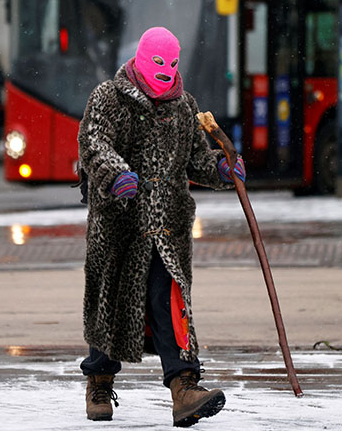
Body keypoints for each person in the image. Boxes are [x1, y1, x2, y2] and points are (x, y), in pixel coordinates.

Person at [77, 26, 246, 426]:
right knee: (112, 303)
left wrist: (221, 168)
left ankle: (185, 389)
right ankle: (99, 382)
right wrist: (116, 173)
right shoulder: (108, 97)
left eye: (172, 63)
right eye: (158, 63)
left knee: (170, 304)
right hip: (118, 225)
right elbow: (94, 143)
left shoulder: (184, 106)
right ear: (140, 58)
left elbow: (194, 160)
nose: (166, 71)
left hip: (167, 229)